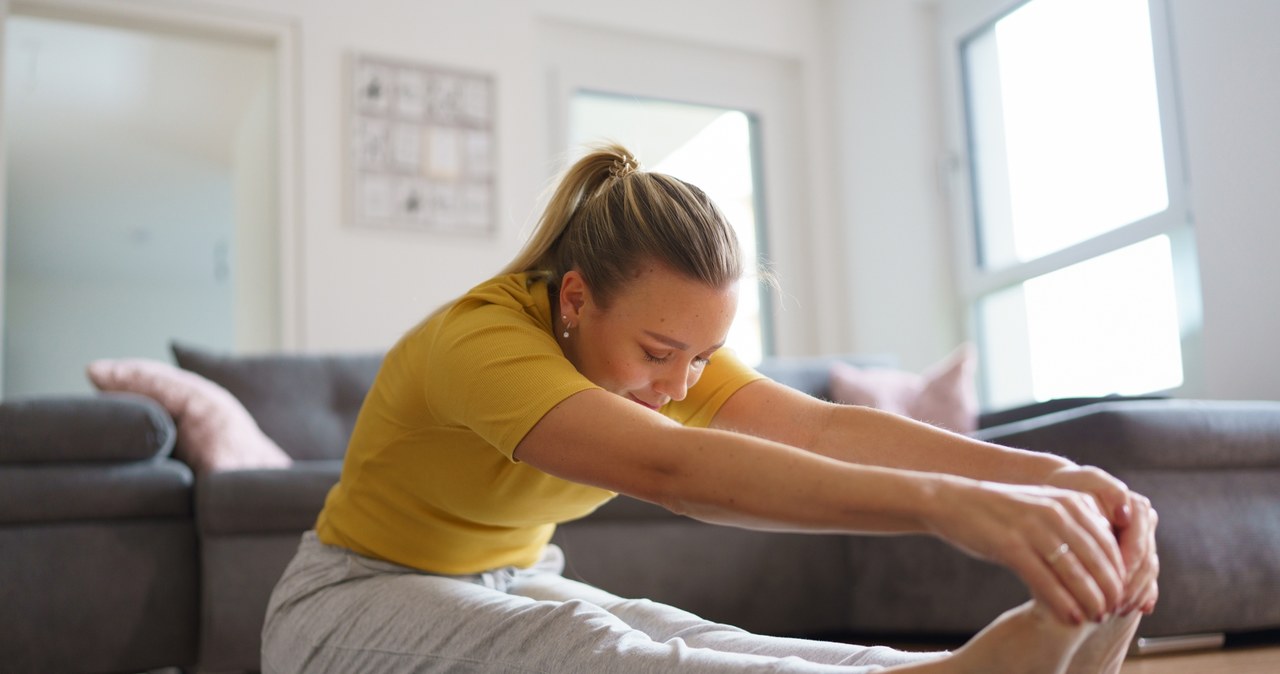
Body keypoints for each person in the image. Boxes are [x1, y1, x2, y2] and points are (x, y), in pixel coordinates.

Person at [262, 143, 1159, 673]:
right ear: (574, 300)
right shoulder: (482, 345)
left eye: (702, 356)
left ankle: (933, 672)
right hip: (346, 600)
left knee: (675, 632)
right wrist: (951, 508)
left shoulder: (666, 357)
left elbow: (820, 427)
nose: (684, 384)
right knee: (586, 644)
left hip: (502, 578)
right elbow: (672, 467)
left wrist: (1055, 477)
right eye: (660, 354)